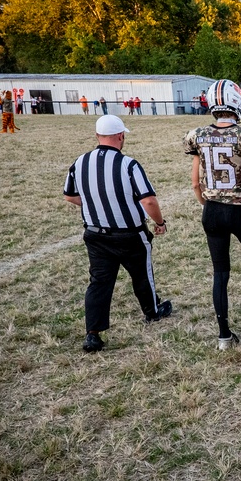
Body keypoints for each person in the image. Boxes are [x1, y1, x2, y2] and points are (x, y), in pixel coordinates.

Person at [63, 115, 173, 352]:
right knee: (142, 274)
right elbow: (149, 200)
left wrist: (96, 203)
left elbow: (69, 195)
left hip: (95, 234)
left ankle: (92, 334)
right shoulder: (128, 164)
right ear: (121, 136)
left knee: (99, 282)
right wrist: (160, 222)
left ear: (97, 136)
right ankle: (152, 311)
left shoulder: (79, 162)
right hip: (129, 234)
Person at [184, 80, 241, 350]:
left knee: (220, 272)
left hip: (211, 209)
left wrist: (205, 204)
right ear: (237, 103)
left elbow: (195, 183)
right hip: (240, 209)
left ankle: (224, 335)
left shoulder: (197, 135)